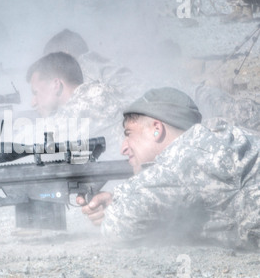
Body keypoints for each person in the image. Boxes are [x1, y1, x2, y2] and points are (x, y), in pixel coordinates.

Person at [77, 87, 260, 250]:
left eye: (129, 134)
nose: (123, 148)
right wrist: (116, 201)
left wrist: (113, 210)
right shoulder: (213, 139)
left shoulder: (184, 156)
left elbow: (120, 226)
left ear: (157, 128)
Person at [26, 51, 125, 158]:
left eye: (36, 93)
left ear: (56, 85)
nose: (33, 103)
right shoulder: (104, 94)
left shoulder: (87, 103)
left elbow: (36, 139)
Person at [42, 28, 147, 104]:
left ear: (65, 55)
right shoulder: (97, 64)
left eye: (51, 62)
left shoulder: (86, 68)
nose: (49, 72)